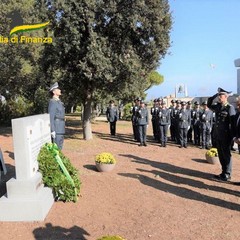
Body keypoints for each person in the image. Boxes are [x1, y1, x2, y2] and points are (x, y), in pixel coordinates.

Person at [207, 87, 235, 181]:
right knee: (221, 155)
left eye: (221, 95)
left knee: (226, 155)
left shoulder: (230, 108)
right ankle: (223, 172)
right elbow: (209, 103)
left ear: (226, 97)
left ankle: (227, 174)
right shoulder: (218, 106)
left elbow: (233, 124)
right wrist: (215, 94)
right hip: (218, 135)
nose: (219, 97)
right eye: (218, 95)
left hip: (226, 137)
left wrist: (232, 137)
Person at [48, 82, 65, 150]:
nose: (60, 90)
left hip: (61, 128)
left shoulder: (59, 102)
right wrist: (52, 130)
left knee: (60, 148)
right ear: (54, 91)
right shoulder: (53, 102)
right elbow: (51, 117)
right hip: (57, 128)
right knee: (56, 149)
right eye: (58, 89)